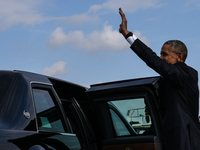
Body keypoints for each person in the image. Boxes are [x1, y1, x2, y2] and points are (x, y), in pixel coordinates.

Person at [118, 8, 200, 150]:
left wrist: (127, 35)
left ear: (180, 56)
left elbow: (153, 60)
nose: (161, 58)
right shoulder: (170, 79)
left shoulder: (186, 73)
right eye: (161, 55)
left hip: (185, 139)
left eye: (165, 54)